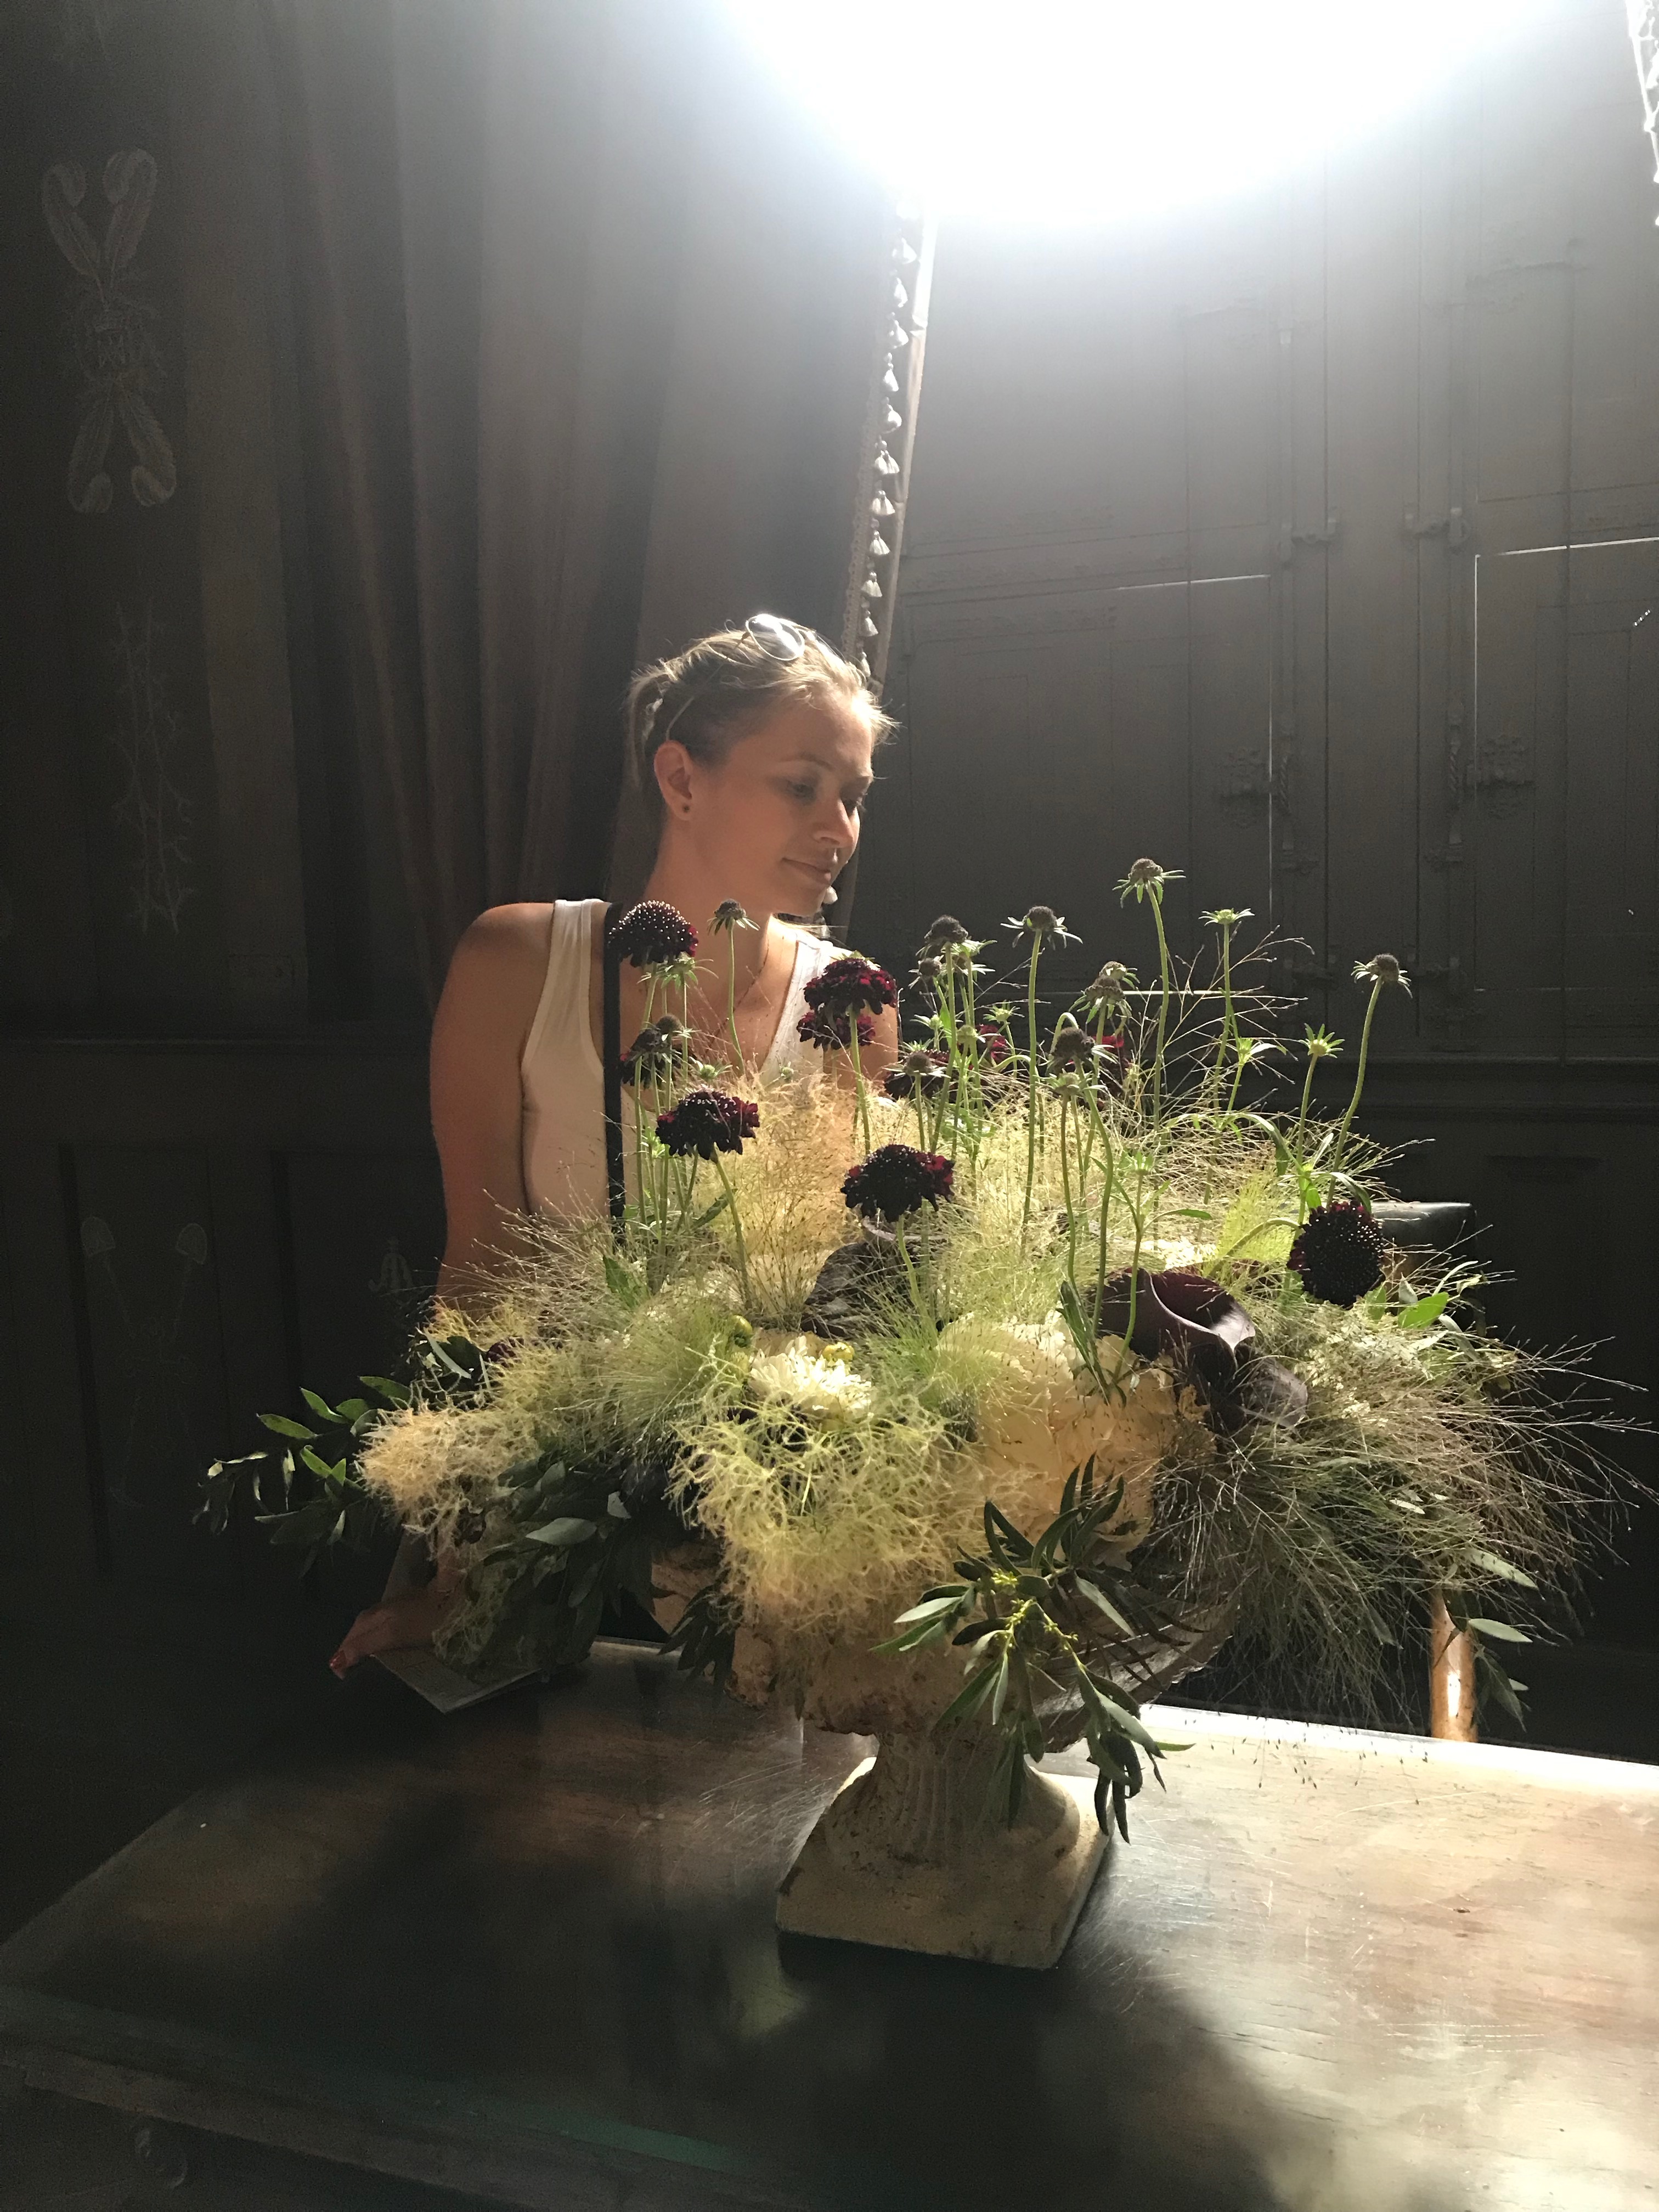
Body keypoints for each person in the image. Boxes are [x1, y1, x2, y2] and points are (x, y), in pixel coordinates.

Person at [330, 615, 898, 1673]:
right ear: (681, 779)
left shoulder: (850, 1003)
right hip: (552, 1511)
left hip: (762, 1527)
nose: (839, 829)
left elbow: (837, 1302)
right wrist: (462, 1566)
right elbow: (482, 1272)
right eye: (802, 786)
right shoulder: (518, 963)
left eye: (854, 797)